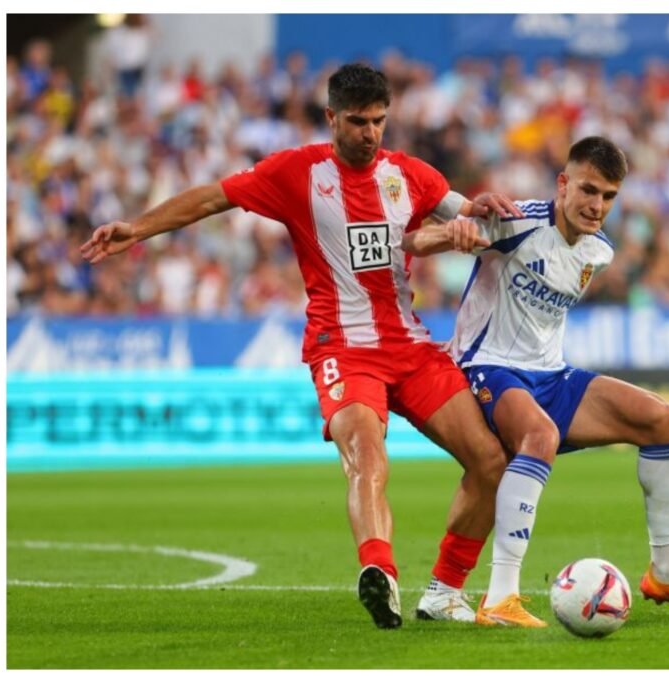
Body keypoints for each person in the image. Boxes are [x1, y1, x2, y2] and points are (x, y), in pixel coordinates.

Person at [80, 63, 520, 629]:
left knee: (490, 460)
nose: (370, 133)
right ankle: (379, 572)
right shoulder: (297, 173)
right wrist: (136, 229)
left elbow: (465, 210)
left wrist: (479, 209)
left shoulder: (409, 175)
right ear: (331, 118)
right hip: (342, 348)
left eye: (379, 121)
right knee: (366, 449)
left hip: (410, 347)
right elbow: (213, 199)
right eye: (358, 121)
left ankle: (443, 592)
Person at [402, 136, 669, 626]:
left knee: (661, 419)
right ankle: (500, 597)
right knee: (539, 437)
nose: (597, 206)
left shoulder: (598, 251)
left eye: (609, 196)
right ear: (563, 184)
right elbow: (415, 241)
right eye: (588, 190)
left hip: (551, 374)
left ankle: (668, 573)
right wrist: (456, 232)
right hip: (486, 365)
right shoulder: (517, 221)